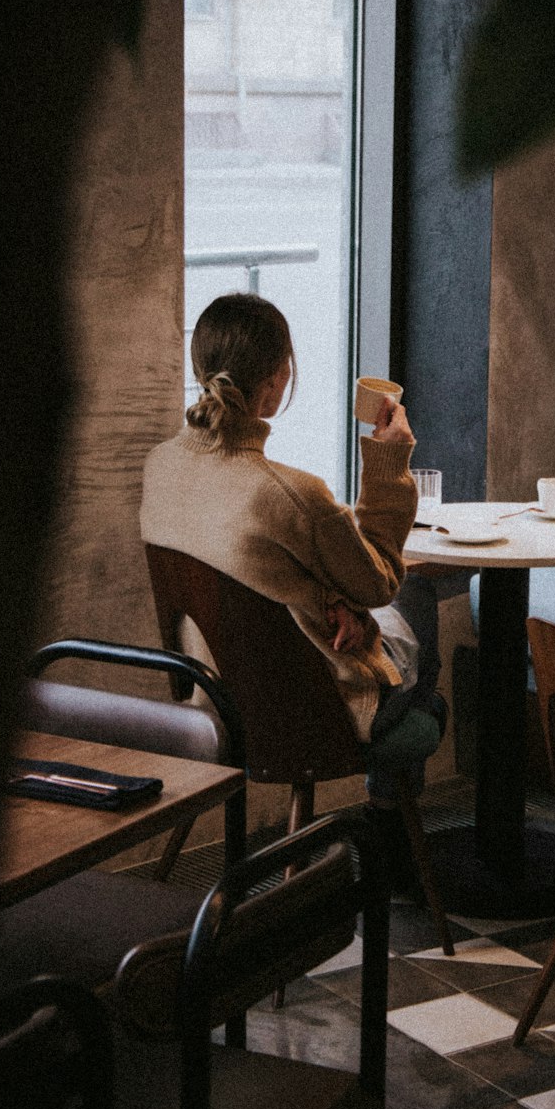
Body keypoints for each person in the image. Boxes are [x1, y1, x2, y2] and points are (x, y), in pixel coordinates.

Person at [139, 292, 444, 884]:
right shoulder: (291, 493)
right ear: (278, 383)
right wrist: (388, 465)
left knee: (364, 614)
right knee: (420, 612)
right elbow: (380, 577)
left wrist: (328, 599)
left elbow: (237, 568)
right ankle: (390, 837)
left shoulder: (161, 465)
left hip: (209, 707)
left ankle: (386, 820)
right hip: (305, 715)